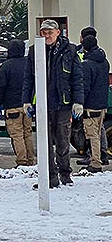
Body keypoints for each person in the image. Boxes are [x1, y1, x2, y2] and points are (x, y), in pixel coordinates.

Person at [22, 19, 84, 188]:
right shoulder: (35, 51)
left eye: (50, 32)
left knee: (63, 141)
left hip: (63, 104)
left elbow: (77, 78)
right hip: (42, 104)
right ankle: (50, 176)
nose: (47, 35)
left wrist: (78, 102)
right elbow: (28, 78)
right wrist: (26, 101)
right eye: (44, 32)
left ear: (58, 32)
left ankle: (65, 174)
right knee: (45, 142)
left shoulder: (70, 50)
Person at [0, 39, 34, 166]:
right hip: (27, 105)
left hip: (12, 106)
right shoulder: (29, 64)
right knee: (27, 133)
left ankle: (22, 161)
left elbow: (0, 87)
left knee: (17, 135)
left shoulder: (6, 66)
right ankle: (30, 160)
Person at [75, 26, 109, 166]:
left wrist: (79, 103)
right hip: (102, 103)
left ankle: (95, 162)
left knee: (92, 134)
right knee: (100, 131)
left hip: (91, 105)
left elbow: (85, 87)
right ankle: (103, 155)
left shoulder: (87, 65)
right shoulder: (104, 61)